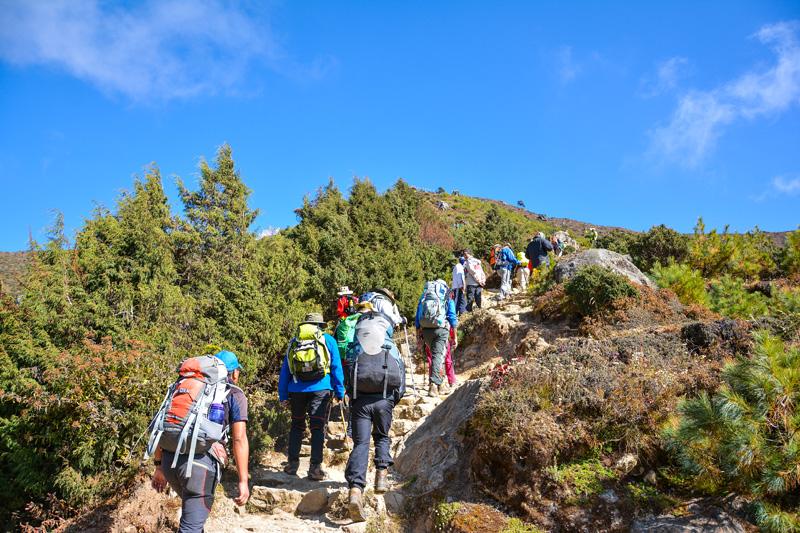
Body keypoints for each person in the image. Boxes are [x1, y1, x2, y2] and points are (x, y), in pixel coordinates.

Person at [150, 351, 250, 533]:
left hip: (169, 462)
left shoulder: (183, 388)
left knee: (194, 520)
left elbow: (162, 426)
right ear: (234, 373)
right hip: (200, 467)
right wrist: (243, 480)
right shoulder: (235, 394)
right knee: (191, 527)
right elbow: (239, 438)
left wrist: (158, 466)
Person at [344, 306, 405, 522]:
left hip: (360, 401)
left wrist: (352, 397)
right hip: (383, 400)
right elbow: (402, 379)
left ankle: (355, 489)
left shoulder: (356, 346)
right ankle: (381, 476)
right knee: (381, 436)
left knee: (361, 444)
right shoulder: (390, 345)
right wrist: (391, 401)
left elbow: (347, 373)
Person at [279, 313, 346, 480]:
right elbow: (336, 366)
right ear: (320, 325)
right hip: (321, 389)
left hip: (296, 389)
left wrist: (283, 395)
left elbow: (286, 370)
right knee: (318, 428)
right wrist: (340, 391)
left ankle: (292, 465)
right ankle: (315, 469)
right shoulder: (328, 340)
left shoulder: (294, 342)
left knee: (296, 425)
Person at [415, 279, 458, 397]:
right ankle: (434, 386)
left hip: (426, 330)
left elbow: (418, 316)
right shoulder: (446, 296)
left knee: (435, 357)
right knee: (438, 356)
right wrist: (455, 336)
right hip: (441, 330)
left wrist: (418, 336)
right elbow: (452, 317)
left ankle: (441, 384)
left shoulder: (424, 296)